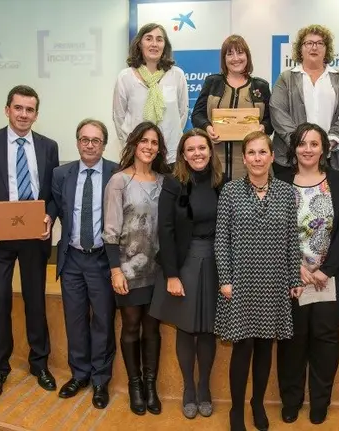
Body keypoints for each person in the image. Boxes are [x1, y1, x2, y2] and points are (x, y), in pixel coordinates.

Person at [0, 85, 59, 399]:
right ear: (7, 109)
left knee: (35, 300)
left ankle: (39, 363)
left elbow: (53, 193)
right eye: (18, 108)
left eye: (29, 109)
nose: (23, 114)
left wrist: (49, 216)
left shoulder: (49, 146)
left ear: (36, 114)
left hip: (34, 237)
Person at [213, 131, 302, 431]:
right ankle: (236, 409)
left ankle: (258, 403)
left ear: (272, 156)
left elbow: (292, 240)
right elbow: (221, 240)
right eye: (251, 152)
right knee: (242, 349)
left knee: (265, 348)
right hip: (240, 282)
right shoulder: (230, 192)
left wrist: (294, 278)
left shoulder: (286, 193)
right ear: (244, 158)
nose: (257, 158)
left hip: (274, 282)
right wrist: (225, 279)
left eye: (262, 152)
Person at [274, 123, 339, 425]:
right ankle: (291, 401)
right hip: (290, 277)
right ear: (293, 148)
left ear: (324, 149)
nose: (307, 149)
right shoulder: (280, 180)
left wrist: (325, 270)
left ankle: (320, 402)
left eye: (314, 143)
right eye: (302, 143)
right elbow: (274, 228)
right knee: (292, 339)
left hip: (330, 278)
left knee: (324, 337)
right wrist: (295, 268)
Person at [150, 128, 225, 419]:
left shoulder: (222, 182)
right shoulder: (173, 183)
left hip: (215, 261)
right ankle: (188, 390)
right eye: (190, 149)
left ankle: (204, 388)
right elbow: (165, 230)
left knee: (207, 329)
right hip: (184, 262)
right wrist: (172, 274)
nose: (197, 153)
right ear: (183, 154)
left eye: (202, 148)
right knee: (185, 328)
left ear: (210, 150)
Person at [103, 121, 169, 415]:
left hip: (158, 270)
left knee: (152, 328)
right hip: (128, 271)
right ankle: (135, 385)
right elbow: (110, 230)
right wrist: (115, 270)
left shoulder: (165, 182)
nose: (149, 146)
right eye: (144, 140)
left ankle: (150, 385)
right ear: (134, 143)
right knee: (131, 326)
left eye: (154, 142)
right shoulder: (119, 181)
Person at [51, 119, 118, 408]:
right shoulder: (60, 174)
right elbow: (59, 210)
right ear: (78, 142)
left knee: (102, 321)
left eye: (96, 140)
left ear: (104, 144)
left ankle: (100, 379)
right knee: (75, 319)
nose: (90, 145)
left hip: (102, 259)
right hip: (72, 259)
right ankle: (79, 374)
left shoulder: (116, 173)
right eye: (85, 139)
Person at [270, 24, 339, 177]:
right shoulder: (286, 78)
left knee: (330, 193)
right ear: (300, 49)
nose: (314, 47)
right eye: (309, 43)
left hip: (330, 156)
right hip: (289, 159)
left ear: (326, 49)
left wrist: (330, 141)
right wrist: (300, 143)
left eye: (319, 43)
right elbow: (278, 111)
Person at [192, 34, 272, 181]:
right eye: (230, 54)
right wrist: (207, 127)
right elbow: (197, 114)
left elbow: (270, 120)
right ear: (224, 59)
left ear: (247, 56)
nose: (235, 58)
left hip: (250, 165)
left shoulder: (260, 86)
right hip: (216, 162)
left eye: (240, 53)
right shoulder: (212, 82)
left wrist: (263, 127)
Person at [113, 23, 188, 166]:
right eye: (148, 38)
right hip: (137, 155)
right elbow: (119, 117)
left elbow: (182, 114)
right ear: (139, 44)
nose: (154, 44)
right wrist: (131, 147)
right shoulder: (125, 77)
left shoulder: (177, 75)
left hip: (170, 155)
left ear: (165, 45)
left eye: (159, 39)